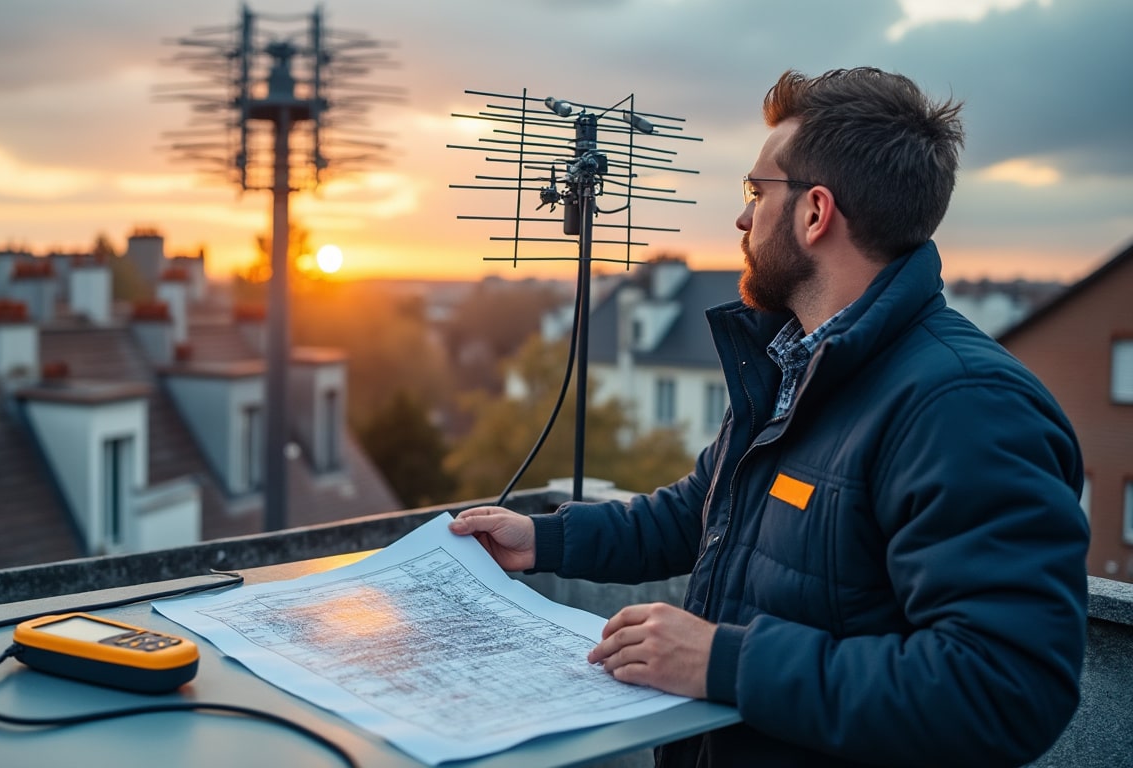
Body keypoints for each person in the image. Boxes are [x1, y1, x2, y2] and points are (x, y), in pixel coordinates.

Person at [449, 67, 1090, 767]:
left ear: (816, 213)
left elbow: (1003, 690)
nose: (742, 216)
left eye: (757, 192)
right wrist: (543, 540)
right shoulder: (798, 361)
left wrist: (724, 662)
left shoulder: (963, 407)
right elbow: (705, 512)